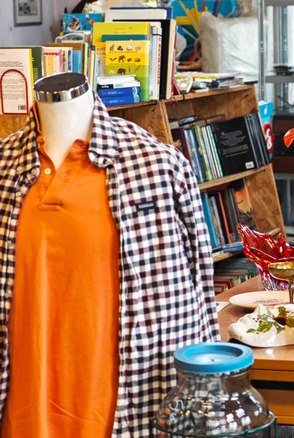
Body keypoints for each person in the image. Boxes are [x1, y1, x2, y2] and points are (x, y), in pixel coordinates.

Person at [0, 72, 218, 437]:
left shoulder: (158, 167)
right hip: (23, 413)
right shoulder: (5, 168)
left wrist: (207, 397)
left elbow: (200, 295)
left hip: (132, 408)